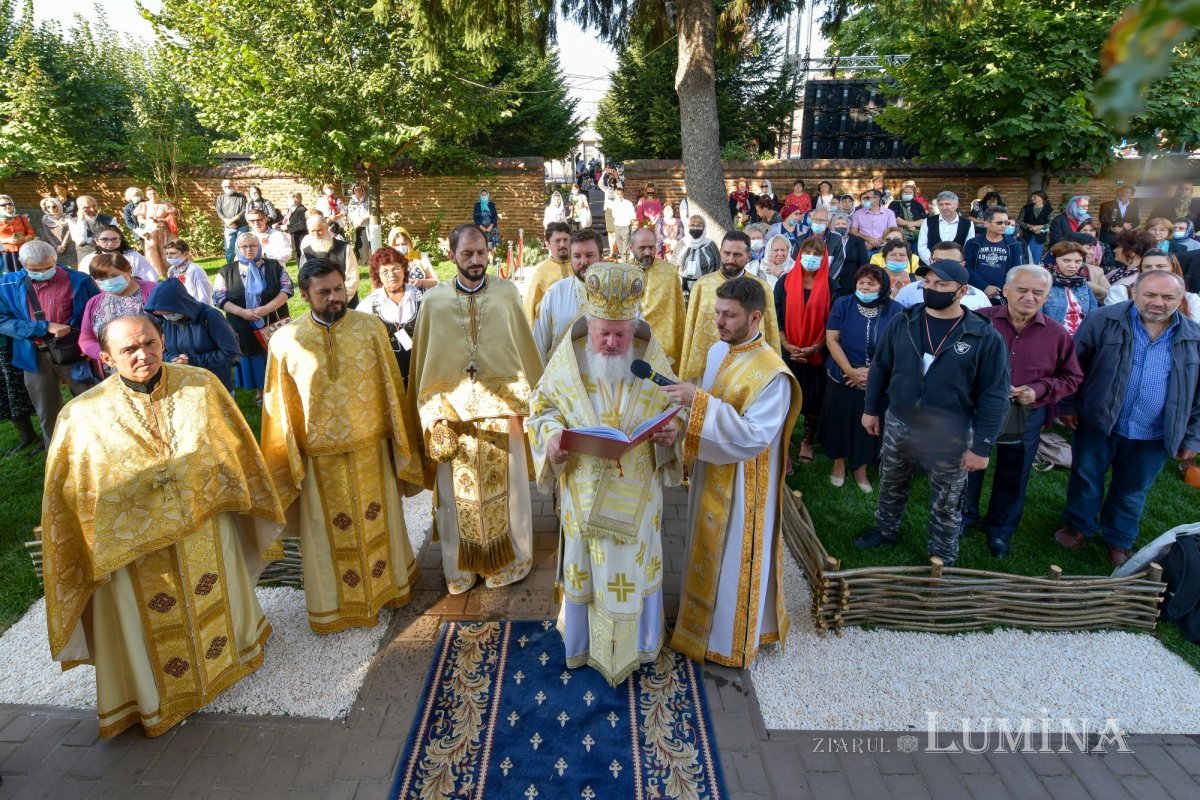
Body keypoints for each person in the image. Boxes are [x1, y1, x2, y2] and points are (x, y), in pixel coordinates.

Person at [41, 314, 286, 739]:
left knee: (217, 593)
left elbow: (233, 449)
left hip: (203, 526)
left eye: (150, 343)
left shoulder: (201, 386)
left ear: (162, 339)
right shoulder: (81, 416)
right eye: (129, 350)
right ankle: (156, 697)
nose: (143, 355)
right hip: (135, 553)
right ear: (105, 358)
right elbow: (74, 499)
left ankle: (229, 659)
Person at [526, 262, 682, 684]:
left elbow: (674, 406)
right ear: (589, 326)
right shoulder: (568, 357)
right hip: (584, 486)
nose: (612, 343)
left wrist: (672, 432)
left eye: (621, 334)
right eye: (603, 334)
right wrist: (554, 436)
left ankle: (642, 642)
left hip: (637, 489)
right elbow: (541, 409)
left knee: (635, 563)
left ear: (634, 328)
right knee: (587, 566)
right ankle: (585, 644)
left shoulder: (650, 355)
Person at [260, 258, 426, 631]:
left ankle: (390, 588)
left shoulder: (369, 328)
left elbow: (390, 389)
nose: (335, 297)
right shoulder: (286, 341)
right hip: (320, 461)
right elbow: (278, 406)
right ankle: (336, 606)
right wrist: (288, 460)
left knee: (378, 522)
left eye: (339, 289)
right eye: (324, 292)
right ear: (304, 295)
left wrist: (399, 439)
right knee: (328, 533)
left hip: (371, 451)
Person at [662, 277, 801, 668]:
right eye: (717, 313)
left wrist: (698, 403)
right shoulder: (717, 352)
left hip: (745, 486)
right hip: (711, 470)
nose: (719, 321)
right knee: (705, 552)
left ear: (755, 317)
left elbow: (754, 436)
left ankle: (730, 640)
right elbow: (702, 413)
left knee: (733, 563)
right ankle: (697, 630)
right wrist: (679, 427)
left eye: (729, 315)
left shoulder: (773, 374)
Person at [407, 224, 544, 594]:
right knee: (457, 498)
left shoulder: (506, 294)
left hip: (503, 414)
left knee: (509, 489)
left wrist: (535, 404)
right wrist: (433, 414)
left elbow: (523, 353)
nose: (475, 261)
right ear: (452, 256)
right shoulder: (434, 302)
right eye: (467, 254)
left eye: (481, 253)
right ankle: (461, 568)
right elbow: (426, 365)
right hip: (452, 420)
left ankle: (510, 560)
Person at [853, 258, 1010, 566]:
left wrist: (982, 447)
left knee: (947, 499)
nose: (931, 289)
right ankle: (885, 529)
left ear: (962, 291)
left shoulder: (983, 336)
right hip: (900, 420)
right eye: (927, 283)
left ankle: (943, 555)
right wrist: (871, 409)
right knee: (891, 482)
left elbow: (995, 395)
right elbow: (881, 367)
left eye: (941, 284)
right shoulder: (903, 321)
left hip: (949, 431)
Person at [1054, 271, 1200, 567]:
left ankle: (1119, 539)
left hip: (1155, 433)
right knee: (1086, 477)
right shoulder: (1102, 320)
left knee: (1132, 489)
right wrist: (1068, 404)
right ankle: (1079, 526)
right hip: (1098, 421)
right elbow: (1073, 364)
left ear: (1180, 299)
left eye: (1168, 297)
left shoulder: (1194, 337)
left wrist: (1193, 437)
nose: (1158, 302)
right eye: (1150, 295)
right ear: (1134, 291)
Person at [964, 266, 1084, 558]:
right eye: (1022, 290)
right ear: (1005, 291)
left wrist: (1038, 390)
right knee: (968, 467)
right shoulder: (979, 321)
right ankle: (963, 518)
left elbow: (1071, 377)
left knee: (1014, 472)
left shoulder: (1057, 335)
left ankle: (1000, 530)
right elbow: (955, 362)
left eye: (1038, 292)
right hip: (978, 410)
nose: (1029, 297)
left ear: (1046, 296)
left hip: (1023, 413)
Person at [0, 241, 100, 447]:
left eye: (48, 267)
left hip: (73, 351)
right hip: (33, 354)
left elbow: (97, 313)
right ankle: (56, 455)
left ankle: (100, 446)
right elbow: (2, 321)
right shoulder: (7, 285)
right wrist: (43, 327)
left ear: (55, 260)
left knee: (91, 400)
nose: (43, 272)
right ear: (22, 264)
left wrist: (90, 344)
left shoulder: (79, 280)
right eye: (35, 270)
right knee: (47, 410)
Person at [821, 265, 902, 492]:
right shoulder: (843, 304)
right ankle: (838, 463)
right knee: (841, 419)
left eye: (871, 284)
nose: (865, 287)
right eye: (861, 283)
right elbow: (832, 339)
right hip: (842, 375)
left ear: (882, 287)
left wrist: (872, 376)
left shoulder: (896, 310)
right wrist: (850, 371)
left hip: (879, 380)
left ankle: (861, 467)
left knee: (870, 425)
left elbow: (898, 348)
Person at [679, 232, 781, 383]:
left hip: (746, 366)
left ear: (748, 256)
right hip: (706, 366)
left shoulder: (761, 288)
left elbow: (771, 332)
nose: (730, 260)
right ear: (720, 252)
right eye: (726, 253)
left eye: (737, 255)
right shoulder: (702, 285)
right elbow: (690, 330)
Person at [213, 232, 294, 404]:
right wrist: (243, 312)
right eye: (244, 246)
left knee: (278, 354)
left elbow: (287, 289)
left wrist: (267, 308)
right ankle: (261, 393)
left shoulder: (274, 266)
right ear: (238, 248)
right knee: (254, 357)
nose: (249, 249)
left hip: (273, 320)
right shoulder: (226, 271)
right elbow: (219, 298)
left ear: (259, 247)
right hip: (242, 325)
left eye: (253, 245)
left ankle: (284, 388)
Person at [776, 236, 831, 462]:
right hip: (788, 351)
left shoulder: (831, 286)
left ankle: (807, 440)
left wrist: (815, 347)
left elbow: (833, 322)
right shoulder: (785, 282)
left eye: (817, 254)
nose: (812, 258)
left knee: (814, 399)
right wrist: (788, 345)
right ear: (799, 254)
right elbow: (776, 316)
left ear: (824, 258)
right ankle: (784, 437)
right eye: (808, 252)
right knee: (784, 398)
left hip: (817, 354)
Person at [144, 277, 241, 391]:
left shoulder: (210, 317)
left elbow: (230, 351)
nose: (166, 317)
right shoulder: (163, 320)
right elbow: (160, 349)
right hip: (182, 385)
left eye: (168, 313)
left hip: (213, 383)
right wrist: (174, 359)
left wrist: (191, 361)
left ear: (180, 305)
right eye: (159, 313)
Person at [533, 229, 604, 361]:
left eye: (589, 255)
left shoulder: (619, 294)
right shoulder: (554, 293)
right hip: (561, 379)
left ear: (601, 257)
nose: (583, 262)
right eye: (577, 256)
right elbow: (539, 344)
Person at [79, 252, 157, 364]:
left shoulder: (152, 291)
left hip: (151, 361)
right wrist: (106, 355)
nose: (109, 281)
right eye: (102, 278)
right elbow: (86, 339)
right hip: (113, 366)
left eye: (114, 276)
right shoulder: (94, 303)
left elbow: (171, 328)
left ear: (129, 271)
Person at [360, 247, 421, 381]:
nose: (391, 275)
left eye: (395, 268)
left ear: (404, 269)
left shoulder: (421, 298)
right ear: (378, 275)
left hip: (419, 370)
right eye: (385, 271)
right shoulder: (370, 304)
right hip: (387, 373)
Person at [630, 226, 686, 369]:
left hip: (663, 345)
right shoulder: (621, 272)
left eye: (651, 247)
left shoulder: (669, 271)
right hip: (631, 342)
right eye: (642, 248)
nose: (648, 252)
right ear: (631, 247)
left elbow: (679, 311)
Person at [1106, 250, 1200, 323]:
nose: (1154, 270)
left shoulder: (1190, 299)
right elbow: (1113, 323)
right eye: (1147, 266)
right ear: (1141, 270)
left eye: (1160, 266)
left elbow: (1194, 331)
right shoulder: (1121, 292)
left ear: (1173, 269)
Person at [894, 241, 992, 311]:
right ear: (930, 261)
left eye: (951, 262)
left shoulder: (979, 297)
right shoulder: (908, 291)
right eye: (938, 261)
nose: (943, 267)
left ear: (962, 264)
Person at [964, 206, 1025, 302]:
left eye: (1006, 223)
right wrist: (985, 287)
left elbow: (1017, 269)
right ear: (986, 223)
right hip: (977, 292)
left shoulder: (1014, 244)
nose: (1004, 226)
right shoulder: (972, 243)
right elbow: (967, 267)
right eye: (999, 223)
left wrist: (997, 289)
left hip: (1003, 293)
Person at [300, 211, 360, 307]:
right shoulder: (306, 252)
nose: (316, 234)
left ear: (327, 227)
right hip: (320, 305)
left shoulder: (345, 248)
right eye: (312, 231)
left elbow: (352, 278)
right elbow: (304, 281)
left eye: (319, 230)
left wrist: (341, 300)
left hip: (347, 302)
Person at [1043, 242, 1099, 335]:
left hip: (1083, 339)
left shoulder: (1082, 283)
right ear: (1053, 260)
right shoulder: (1042, 284)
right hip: (1054, 339)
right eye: (1066, 260)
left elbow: (1093, 313)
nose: (1073, 266)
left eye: (1078, 261)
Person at [523, 222, 572, 324]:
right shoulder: (539, 273)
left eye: (565, 240)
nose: (562, 244)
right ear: (547, 243)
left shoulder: (580, 267)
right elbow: (529, 311)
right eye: (557, 241)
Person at [79, 225, 158, 284]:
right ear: (96, 241)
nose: (110, 243)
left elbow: (151, 278)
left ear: (121, 240)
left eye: (114, 239)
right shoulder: (88, 260)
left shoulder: (133, 256)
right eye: (104, 239)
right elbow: (84, 283)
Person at [917, 191, 974, 265]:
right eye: (941, 204)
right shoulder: (928, 221)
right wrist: (933, 263)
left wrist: (956, 264)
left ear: (956, 205)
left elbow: (968, 248)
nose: (944, 208)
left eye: (947, 204)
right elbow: (922, 246)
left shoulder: (968, 224)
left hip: (957, 268)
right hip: (931, 267)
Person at [674, 215, 720, 304]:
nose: (695, 227)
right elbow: (673, 263)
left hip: (706, 286)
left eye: (699, 225)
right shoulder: (682, 243)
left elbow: (718, 265)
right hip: (683, 286)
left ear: (704, 227)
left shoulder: (710, 245)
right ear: (688, 227)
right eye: (692, 225)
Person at [133, 186, 177, 278]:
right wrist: (150, 221)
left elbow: (171, 218)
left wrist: (159, 220)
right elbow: (140, 219)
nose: (152, 195)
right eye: (150, 194)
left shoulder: (165, 205)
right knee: (153, 252)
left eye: (154, 193)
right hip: (151, 232)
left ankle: (174, 270)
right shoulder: (143, 205)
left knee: (168, 249)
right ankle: (158, 274)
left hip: (165, 232)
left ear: (157, 193)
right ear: (146, 195)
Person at [826, 210, 871, 298]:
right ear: (832, 225)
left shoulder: (857, 241)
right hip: (830, 283)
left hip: (850, 285)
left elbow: (864, 265)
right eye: (837, 224)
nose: (840, 226)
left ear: (848, 225)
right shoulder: (828, 241)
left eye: (843, 224)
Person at [386, 225, 438, 294]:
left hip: (421, 300)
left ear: (410, 243)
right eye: (397, 245)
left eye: (404, 244)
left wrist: (421, 282)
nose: (401, 247)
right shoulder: (387, 261)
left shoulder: (420, 257)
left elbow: (434, 282)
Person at [161, 239, 214, 305]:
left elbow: (205, 295)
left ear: (185, 254)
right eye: (166, 253)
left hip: (194, 308)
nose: (168, 256)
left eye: (172, 253)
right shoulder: (171, 270)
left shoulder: (195, 269)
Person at [68, 196, 119, 262]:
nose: (92, 209)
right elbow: (80, 240)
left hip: (105, 258)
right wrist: (81, 220)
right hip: (85, 258)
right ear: (79, 209)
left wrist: (89, 240)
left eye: (94, 205)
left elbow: (113, 239)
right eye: (87, 207)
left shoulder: (110, 220)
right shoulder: (73, 222)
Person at [850, 189, 897, 253]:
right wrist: (868, 239)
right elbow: (853, 232)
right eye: (864, 198)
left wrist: (877, 242)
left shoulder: (889, 213)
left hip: (884, 248)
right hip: (864, 248)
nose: (864, 200)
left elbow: (892, 231)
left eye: (867, 198)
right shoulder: (858, 213)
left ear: (877, 199)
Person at [216, 179, 249, 264]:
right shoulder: (220, 198)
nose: (228, 188)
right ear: (222, 188)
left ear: (233, 186)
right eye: (225, 187)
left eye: (229, 186)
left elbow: (244, 210)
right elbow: (219, 211)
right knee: (228, 249)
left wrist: (232, 220)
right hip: (228, 227)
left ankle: (243, 265)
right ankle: (230, 267)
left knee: (242, 247)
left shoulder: (241, 197)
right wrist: (227, 221)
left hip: (242, 226)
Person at [0, 195, 36, 273]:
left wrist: (25, 239)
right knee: (8, 277)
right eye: (3, 205)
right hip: (5, 254)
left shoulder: (21, 218)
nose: (8, 206)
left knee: (25, 274)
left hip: (23, 252)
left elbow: (31, 233)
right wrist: (7, 240)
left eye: (10, 204)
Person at [38, 197, 76, 268]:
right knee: (58, 268)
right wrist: (56, 247)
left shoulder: (67, 218)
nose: (51, 209)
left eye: (54, 206)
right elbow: (48, 234)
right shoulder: (45, 219)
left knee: (73, 267)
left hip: (69, 245)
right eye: (48, 207)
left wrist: (63, 245)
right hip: (55, 247)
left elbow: (70, 232)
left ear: (58, 206)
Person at [1019, 191, 1053, 264]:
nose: (1032, 198)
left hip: (1040, 237)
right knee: (1024, 257)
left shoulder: (1049, 209)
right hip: (1026, 236)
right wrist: (1029, 226)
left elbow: (1051, 223)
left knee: (1035, 259)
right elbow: (1019, 221)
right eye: (1032, 196)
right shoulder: (1026, 208)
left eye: (1035, 196)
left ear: (1041, 198)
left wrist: (1040, 227)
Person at [889, 180, 926, 246]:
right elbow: (895, 218)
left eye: (910, 192)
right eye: (905, 192)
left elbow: (923, 220)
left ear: (913, 194)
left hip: (916, 235)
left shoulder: (918, 205)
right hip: (900, 236)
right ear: (901, 193)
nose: (908, 194)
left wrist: (912, 224)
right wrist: (908, 224)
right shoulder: (895, 204)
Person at [346, 184, 371, 266]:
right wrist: (354, 221)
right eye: (356, 190)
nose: (358, 192)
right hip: (355, 225)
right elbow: (349, 212)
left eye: (359, 190)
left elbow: (370, 212)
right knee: (357, 242)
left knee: (365, 243)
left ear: (362, 190)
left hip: (364, 225)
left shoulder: (367, 200)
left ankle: (365, 261)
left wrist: (363, 219)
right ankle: (359, 261)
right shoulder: (352, 201)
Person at [609, 185, 637, 258]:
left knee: (626, 243)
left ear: (623, 194)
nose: (619, 196)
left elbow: (632, 214)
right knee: (618, 242)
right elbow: (614, 215)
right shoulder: (613, 203)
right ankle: (623, 256)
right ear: (615, 195)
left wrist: (632, 222)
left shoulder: (628, 203)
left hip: (626, 225)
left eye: (621, 194)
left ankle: (625, 260)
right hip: (617, 225)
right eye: (618, 194)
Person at [280, 192, 308, 263]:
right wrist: (278, 224)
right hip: (296, 238)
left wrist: (287, 227)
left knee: (303, 258)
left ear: (298, 199)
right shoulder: (293, 210)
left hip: (301, 238)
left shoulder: (301, 210)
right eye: (288, 198)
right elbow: (290, 220)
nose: (289, 200)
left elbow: (303, 225)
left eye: (291, 198)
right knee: (299, 257)